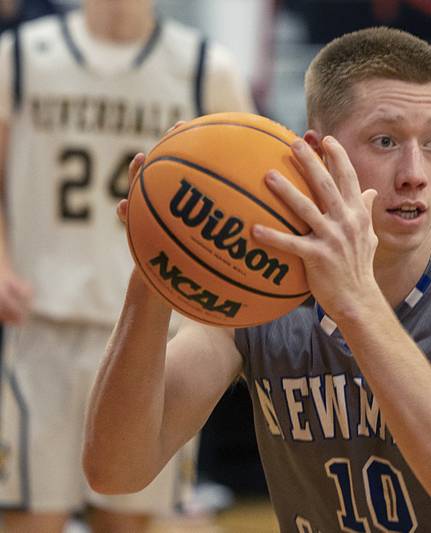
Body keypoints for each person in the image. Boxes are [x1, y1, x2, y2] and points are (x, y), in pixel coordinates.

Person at [83, 27, 431, 532]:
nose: (415, 172)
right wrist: (153, 275)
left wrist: (355, 302)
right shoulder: (262, 289)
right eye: (385, 141)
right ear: (320, 153)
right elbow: (116, 470)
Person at [0, 0, 253, 531]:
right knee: (29, 517)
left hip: (156, 335)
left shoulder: (207, 67)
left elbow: (246, 194)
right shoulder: (19, 57)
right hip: (43, 323)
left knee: (126, 518)